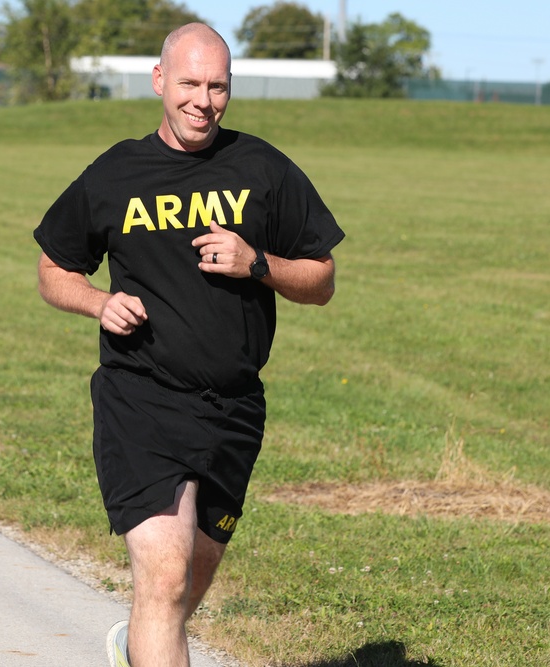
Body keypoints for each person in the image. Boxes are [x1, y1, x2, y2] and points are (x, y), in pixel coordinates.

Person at [33, 23, 344, 667]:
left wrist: (257, 262)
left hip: (233, 407)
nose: (203, 100)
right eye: (190, 84)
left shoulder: (262, 167)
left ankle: (135, 644)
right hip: (141, 396)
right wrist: (99, 302)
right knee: (166, 573)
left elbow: (321, 280)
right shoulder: (116, 173)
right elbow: (53, 268)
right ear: (158, 81)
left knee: (188, 581)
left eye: (217, 87)